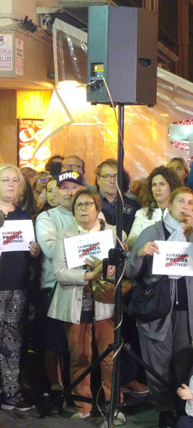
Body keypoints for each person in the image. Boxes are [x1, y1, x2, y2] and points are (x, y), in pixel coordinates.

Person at [127, 187, 193, 428]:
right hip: (158, 309)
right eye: (180, 201)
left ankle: (183, 404)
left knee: (185, 359)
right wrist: (140, 253)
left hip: (189, 309)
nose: (185, 206)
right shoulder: (152, 231)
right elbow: (130, 272)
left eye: (191, 202)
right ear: (169, 204)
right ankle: (164, 409)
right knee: (157, 361)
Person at [48, 188, 120, 421]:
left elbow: (123, 269)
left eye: (88, 204)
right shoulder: (65, 234)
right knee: (79, 356)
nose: (83, 208)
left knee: (110, 356)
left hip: (106, 304)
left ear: (97, 209)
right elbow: (59, 272)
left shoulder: (112, 233)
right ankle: (83, 407)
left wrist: (104, 272)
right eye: (78, 205)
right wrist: (89, 276)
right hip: (74, 302)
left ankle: (113, 407)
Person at [34, 170, 83, 408]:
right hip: (54, 287)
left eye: (75, 187)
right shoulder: (47, 218)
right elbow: (54, 253)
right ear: (56, 191)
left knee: (79, 344)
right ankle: (55, 388)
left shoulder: (92, 213)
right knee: (53, 343)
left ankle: (78, 390)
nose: (70, 192)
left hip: (85, 285)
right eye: (65, 188)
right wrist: (85, 249)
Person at [0, 164, 41, 411]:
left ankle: (12, 391)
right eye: (6, 180)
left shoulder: (24, 217)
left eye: (15, 181)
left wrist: (35, 252)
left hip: (17, 286)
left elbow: (29, 253)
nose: (11, 185)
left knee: (13, 340)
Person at [129, 166, 183, 245]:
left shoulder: (182, 213)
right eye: (154, 185)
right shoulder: (142, 213)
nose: (158, 189)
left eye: (162, 184)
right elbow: (131, 240)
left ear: (172, 186)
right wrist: (144, 246)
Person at [94, 158, 141, 237]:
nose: (112, 181)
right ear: (98, 179)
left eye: (116, 176)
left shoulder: (133, 205)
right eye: (107, 176)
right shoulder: (89, 203)